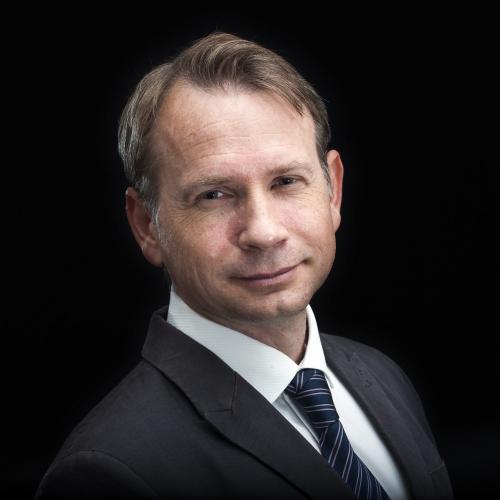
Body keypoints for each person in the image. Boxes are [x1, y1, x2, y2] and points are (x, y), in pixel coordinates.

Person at [36, 32, 453, 500]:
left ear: (332, 190)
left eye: (286, 181)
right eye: (214, 194)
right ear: (147, 225)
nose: (263, 231)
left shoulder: (383, 376)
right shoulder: (108, 472)